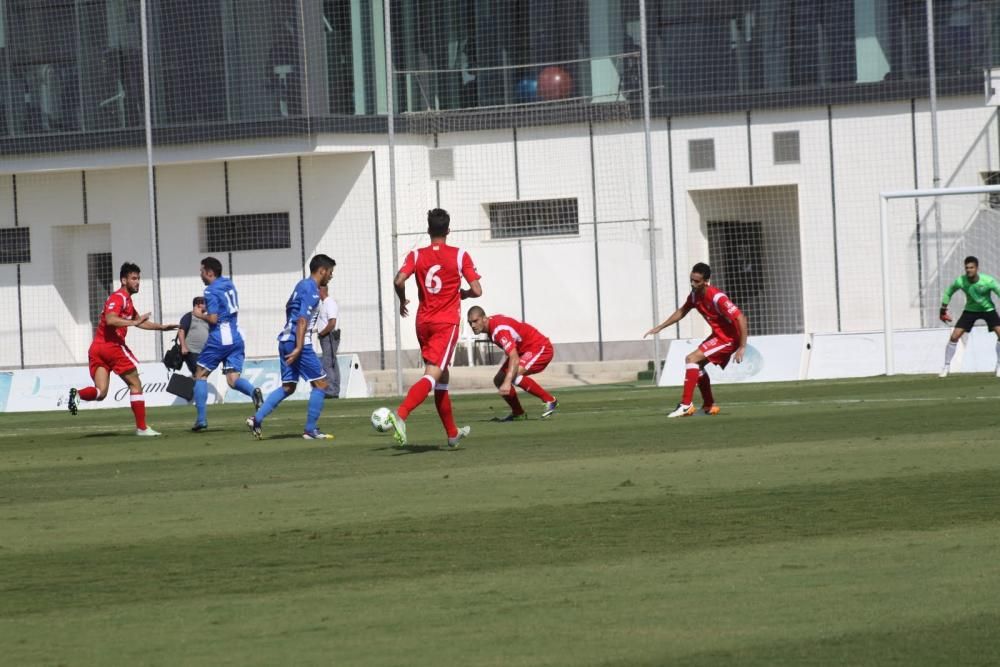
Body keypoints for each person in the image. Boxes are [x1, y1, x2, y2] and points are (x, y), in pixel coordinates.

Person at [387, 208, 483, 447]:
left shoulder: (417, 255)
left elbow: (398, 280)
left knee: (442, 375)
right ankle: (401, 415)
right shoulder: (460, 255)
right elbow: (478, 290)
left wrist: (402, 300)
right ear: (448, 230)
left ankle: (452, 433)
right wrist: (465, 293)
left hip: (423, 322)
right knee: (432, 375)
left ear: (428, 230)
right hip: (446, 323)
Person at [67, 262, 177, 436]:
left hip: (97, 348)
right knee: (135, 384)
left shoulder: (127, 301)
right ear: (123, 280)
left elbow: (140, 321)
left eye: (138, 278)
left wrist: (161, 328)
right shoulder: (118, 298)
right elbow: (111, 319)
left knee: (101, 392)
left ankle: (76, 395)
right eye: (134, 278)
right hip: (111, 347)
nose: (137, 282)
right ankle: (141, 428)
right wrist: (133, 322)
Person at [246, 254, 337, 440]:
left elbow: (289, 306)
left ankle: (256, 418)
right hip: (298, 342)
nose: (331, 276)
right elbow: (303, 319)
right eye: (330, 272)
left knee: (288, 387)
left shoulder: (301, 284)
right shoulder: (312, 290)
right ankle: (310, 430)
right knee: (321, 384)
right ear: (322, 270)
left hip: (285, 339)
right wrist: (299, 346)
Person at [644, 262, 748, 418]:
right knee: (697, 366)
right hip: (719, 336)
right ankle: (709, 405)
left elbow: (741, 318)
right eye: (691, 280)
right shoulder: (694, 296)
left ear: (706, 281)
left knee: (691, 359)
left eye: (697, 281)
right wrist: (661, 327)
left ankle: (686, 405)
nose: (693, 284)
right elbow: (682, 311)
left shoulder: (717, 298)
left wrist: (742, 347)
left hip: (729, 338)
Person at [191, 257, 262, 431]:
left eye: (202, 271)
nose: (200, 274)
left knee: (200, 375)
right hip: (236, 336)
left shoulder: (209, 291)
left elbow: (214, 319)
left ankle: (201, 420)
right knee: (232, 380)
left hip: (219, 337)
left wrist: (199, 315)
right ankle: (254, 393)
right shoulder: (228, 283)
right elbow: (225, 307)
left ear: (209, 272)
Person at [467, 306, 558, 421]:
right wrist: (505, 380)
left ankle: (550, 400)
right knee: (499, 379)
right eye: (470, 323)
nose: (473, 326)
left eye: (475, 321)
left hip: (539, 347)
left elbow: (514, 358)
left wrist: (507, 382)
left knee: (512, 376)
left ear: (484, 318)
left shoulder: (498, 330)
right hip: (523, 351)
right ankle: (518, 412)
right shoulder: (492, 326)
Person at [939, 255, 1000, 378]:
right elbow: (948, 292)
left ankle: (999, 365)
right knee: (954, 336)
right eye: (966, 268)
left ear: (977, 268)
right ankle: (946, 367)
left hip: (988, 310)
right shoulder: (961, 281)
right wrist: (943, 310)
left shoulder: (988, 281)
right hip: (970, 311)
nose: (968, 270)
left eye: (971, 267)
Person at [314, 283, 341, 398]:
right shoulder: (323, 304)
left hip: (329, 336)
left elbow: (332, 323)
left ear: (322, 291)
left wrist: (322, 333)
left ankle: (331, 391)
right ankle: (334, 390)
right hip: (326, 335)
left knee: (327, 363)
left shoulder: (329, 303)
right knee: (331, 363)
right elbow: (323, 322)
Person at [177, 296, 209, 375]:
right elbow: (181, 331)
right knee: (198, 373)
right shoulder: (189, 316)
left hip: (204, 352)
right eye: (205, 304)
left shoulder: (205, 318)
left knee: (201, 375)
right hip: (192, 351)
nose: (208, 306)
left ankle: (191, 385)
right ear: (199, 305)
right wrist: (183, 346)